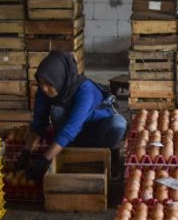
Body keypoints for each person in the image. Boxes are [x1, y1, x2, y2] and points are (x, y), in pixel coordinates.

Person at [17, 51, 127, 181]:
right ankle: (68, 149)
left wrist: (44, 159)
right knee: (57, 110)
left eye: (48, 84)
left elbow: (71, 128)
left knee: (118, 124)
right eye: (41, 82)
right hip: (73, 136)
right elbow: (38, 123)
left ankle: (101, 156)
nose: (44, 88)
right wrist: (26, 152)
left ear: (60, 78)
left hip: (97, 131)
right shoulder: (43, 91)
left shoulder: (85, 90)